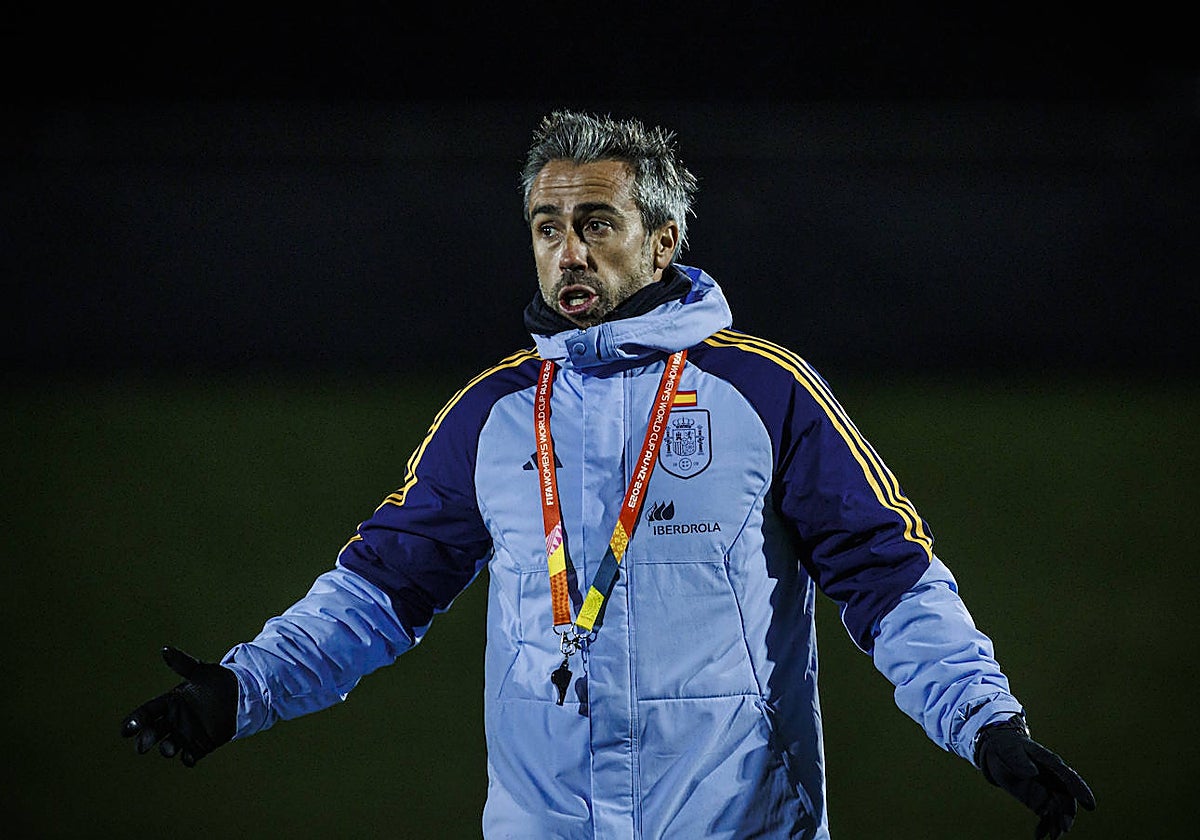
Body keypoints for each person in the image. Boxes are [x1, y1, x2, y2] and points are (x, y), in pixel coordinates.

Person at [121, 109, 1096, 839]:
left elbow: (890, 576)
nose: (569, 250)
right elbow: (375, 593)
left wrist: (985, 725)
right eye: (548, 226)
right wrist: (239, 692)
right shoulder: (493, 414)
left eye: (597, 222)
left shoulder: (763, 391)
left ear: (664, 240)